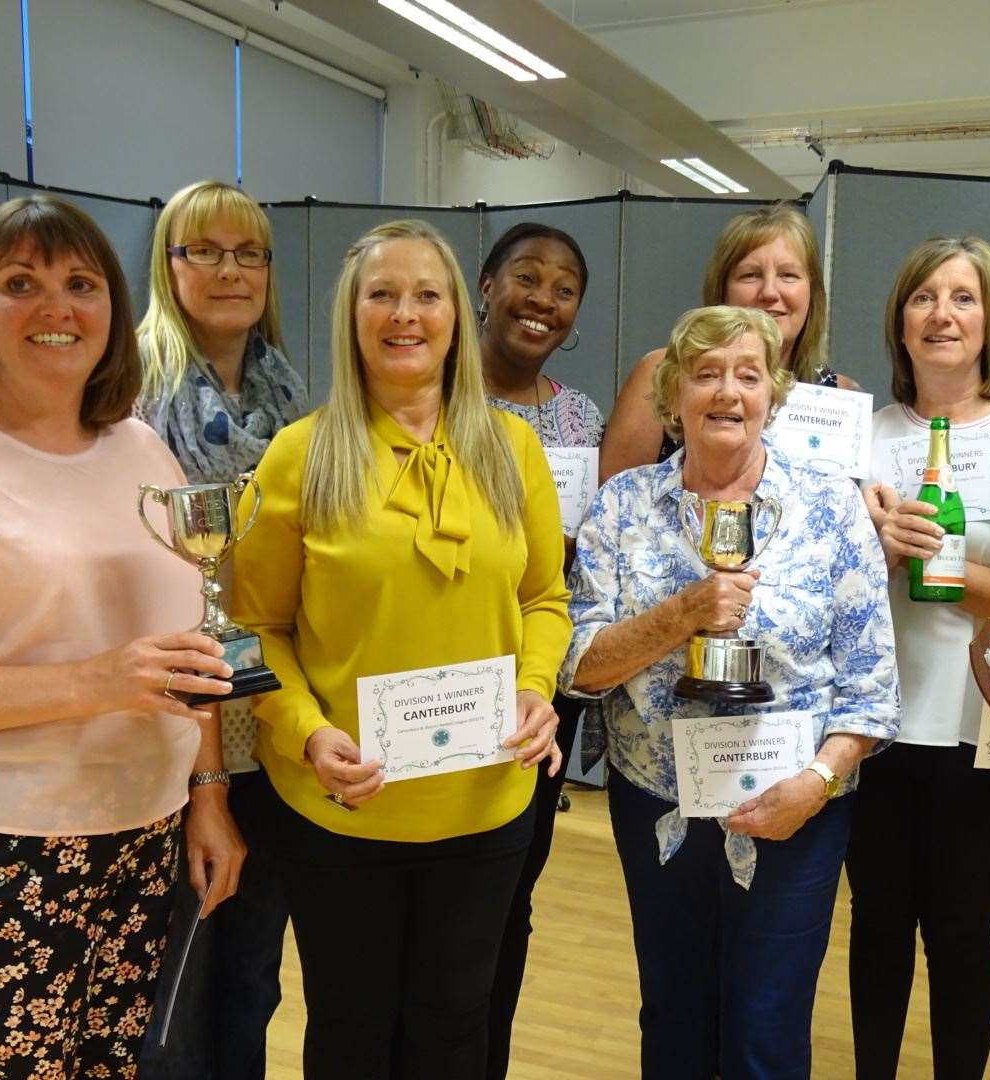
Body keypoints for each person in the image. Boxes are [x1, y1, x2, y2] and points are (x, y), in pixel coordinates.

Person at [0, 195, 242, 1078]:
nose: (57, 308)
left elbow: (189, 644)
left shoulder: (139, 448)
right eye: (20, 283)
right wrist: (97, 680)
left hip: (145, 827)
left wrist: (207, 794)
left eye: (81, 283)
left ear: (113, 310)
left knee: (110, 1068)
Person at [231, 219, 571, 1080]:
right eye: (381, 294)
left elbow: (543, 597)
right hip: (342, 804)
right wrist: (306, 730)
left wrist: (535, 686)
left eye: (427, 294)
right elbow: (257, 627)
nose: (404, 314)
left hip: (487, 802)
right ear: (351, 315)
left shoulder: (513, 449)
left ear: (460, 312)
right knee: (350, 1033)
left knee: (455, 1030)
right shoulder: (299, 456)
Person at [562, 304, 899, 1079]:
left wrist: (817, 783)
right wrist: (683, 613)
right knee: (673, 1017)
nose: (727, 393)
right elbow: (581, 665)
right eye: (706, 373)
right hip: (657, 805)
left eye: (748, 375)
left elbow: (872, 688)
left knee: (767, 1028)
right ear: (672, 392)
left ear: (773, 395)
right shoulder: (623, 506)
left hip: (796, 810)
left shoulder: (830, 505)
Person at [844, 236, 990, 1079]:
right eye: (924, 296)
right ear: (900, 321)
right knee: (877, 923)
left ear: (989, 321)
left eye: (963, 298)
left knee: (963, 931)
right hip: (876, 724)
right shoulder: (859, 437)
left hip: (980, 726)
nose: (942, 314)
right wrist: (875, 549)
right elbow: (820, 583)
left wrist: (951, 571)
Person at [134, 179, 307, 1080]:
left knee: (250, 972)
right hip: (170, 720)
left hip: (264, 714)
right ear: (168, 265)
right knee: (175, 982)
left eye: (250, 253)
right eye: (204, 250)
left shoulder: (286, 387)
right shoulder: (128, 386)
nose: (230, 269)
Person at [475, 221, 603, 1080]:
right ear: (483, 287)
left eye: (563, 289)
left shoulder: (580, 417)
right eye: (526, 277)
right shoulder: (432, 398)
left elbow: (584, 552)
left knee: (511, 893)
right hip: (436, 675)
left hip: (535, 679)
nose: (542, 300)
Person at [599, 202, 858, 481]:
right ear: (722, 290)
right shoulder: (663, 372)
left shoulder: (840, 396)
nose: (769, 292)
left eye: (788, 275)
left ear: (812, 291)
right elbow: (615, 504)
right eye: (750, 275)